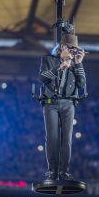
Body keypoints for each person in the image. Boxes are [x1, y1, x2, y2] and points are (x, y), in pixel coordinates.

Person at [39, 33, 86, 181]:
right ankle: (52, 170)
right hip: (51, 103)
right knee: (52, 137)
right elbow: (43, 77)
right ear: (62, 47)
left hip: (69, 103)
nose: (73, 52)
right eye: (71, 49)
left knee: (66, 138)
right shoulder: (48, 60)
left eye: (75, 50)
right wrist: (60, 67)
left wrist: (78, 63)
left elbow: (82, 83)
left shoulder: (75, 64)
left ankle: (64, 171)